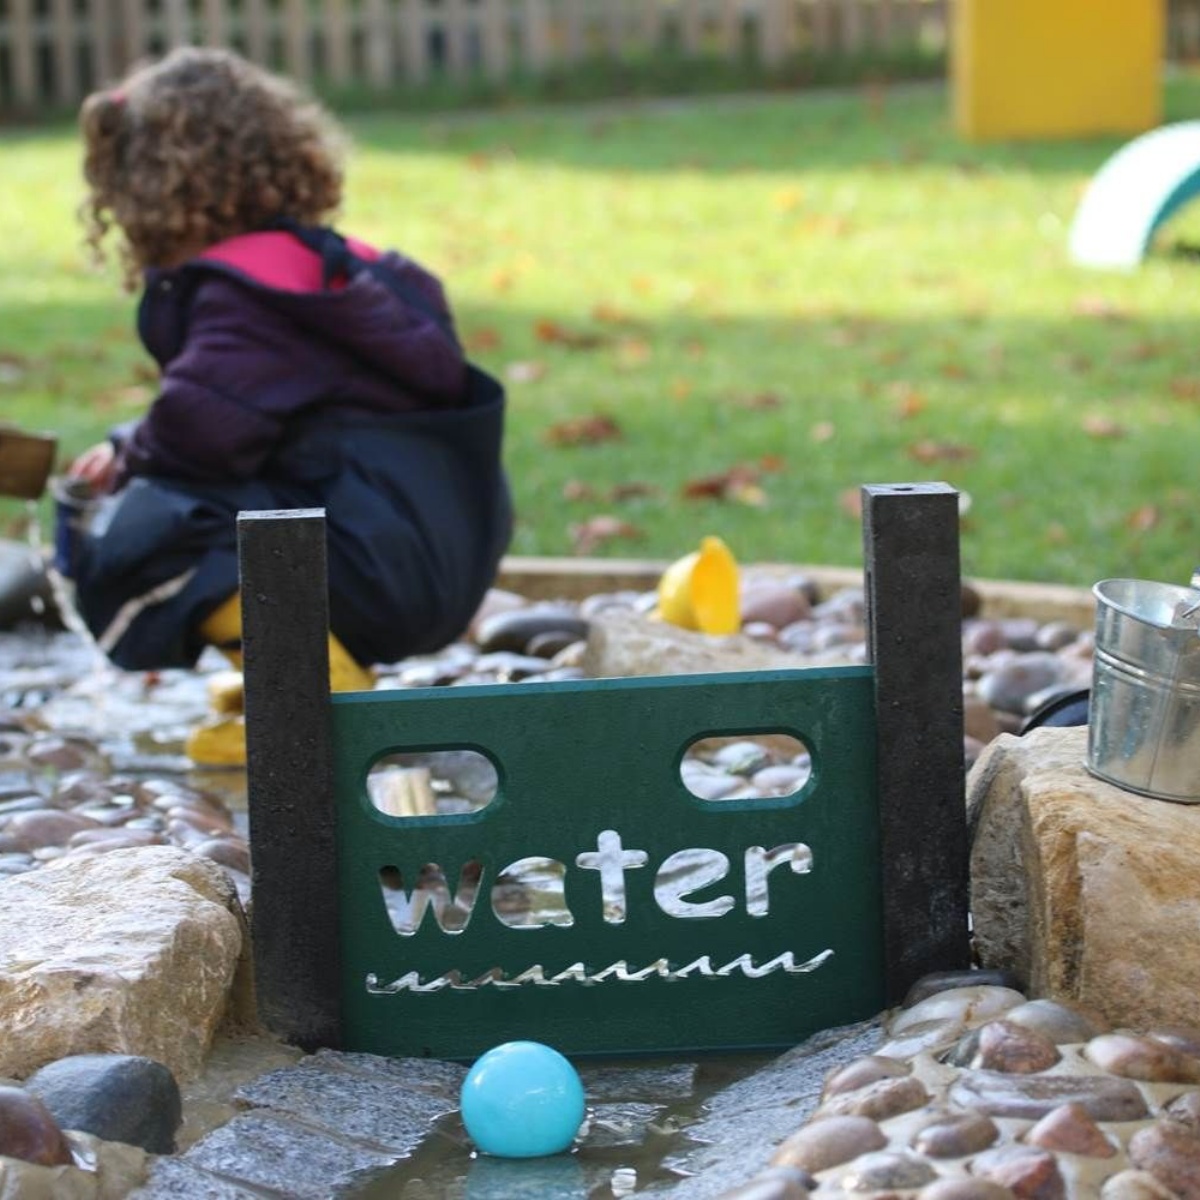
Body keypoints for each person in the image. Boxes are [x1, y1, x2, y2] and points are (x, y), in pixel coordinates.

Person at [67, 47, 512, 753]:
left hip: (377, 570)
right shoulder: (338, 269)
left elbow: (196, 436)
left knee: (142, 525)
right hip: (434, 559)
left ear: (150, 189)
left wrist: (125, 459)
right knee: (212, 499)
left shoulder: (251, 298)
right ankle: (287, 669)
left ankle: (313, 705)